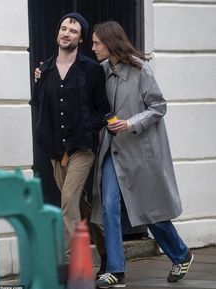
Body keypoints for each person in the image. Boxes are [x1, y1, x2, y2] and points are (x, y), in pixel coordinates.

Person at [91, 21, 194, 288]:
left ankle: (181, 254)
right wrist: (41, 74)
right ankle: (116, 270)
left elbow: (159, 106)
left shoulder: (140, 69)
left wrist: (130, 123)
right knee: (109, 207)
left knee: (151, 211)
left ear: (110, 43)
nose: (93, 48)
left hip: (139, 152)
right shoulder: (100, 71)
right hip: (112, 152)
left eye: (96, 43)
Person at [30, 12, 110, 269]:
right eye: (64, 28)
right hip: (55, 149)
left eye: (73, 31)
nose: (66, 33)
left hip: (82, 148)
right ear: (58, 33)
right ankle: (107, 252)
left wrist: (87, 128)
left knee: (67, 202)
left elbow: (102, 108)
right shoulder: (45, 69)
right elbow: (40, 106)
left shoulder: (92, 70)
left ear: (81, 38)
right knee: (79, 206)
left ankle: (72, 266)